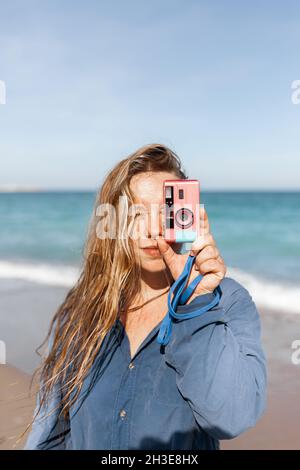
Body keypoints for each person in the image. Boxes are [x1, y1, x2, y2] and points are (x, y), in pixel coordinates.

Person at [23, 143, 267, 450]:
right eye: (137, 213)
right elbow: (51, 434)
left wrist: (197, 301)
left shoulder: (226, 302)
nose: (152, 228)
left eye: (166, 211)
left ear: (187, 214)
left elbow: (231, 417)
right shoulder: (83, 308)